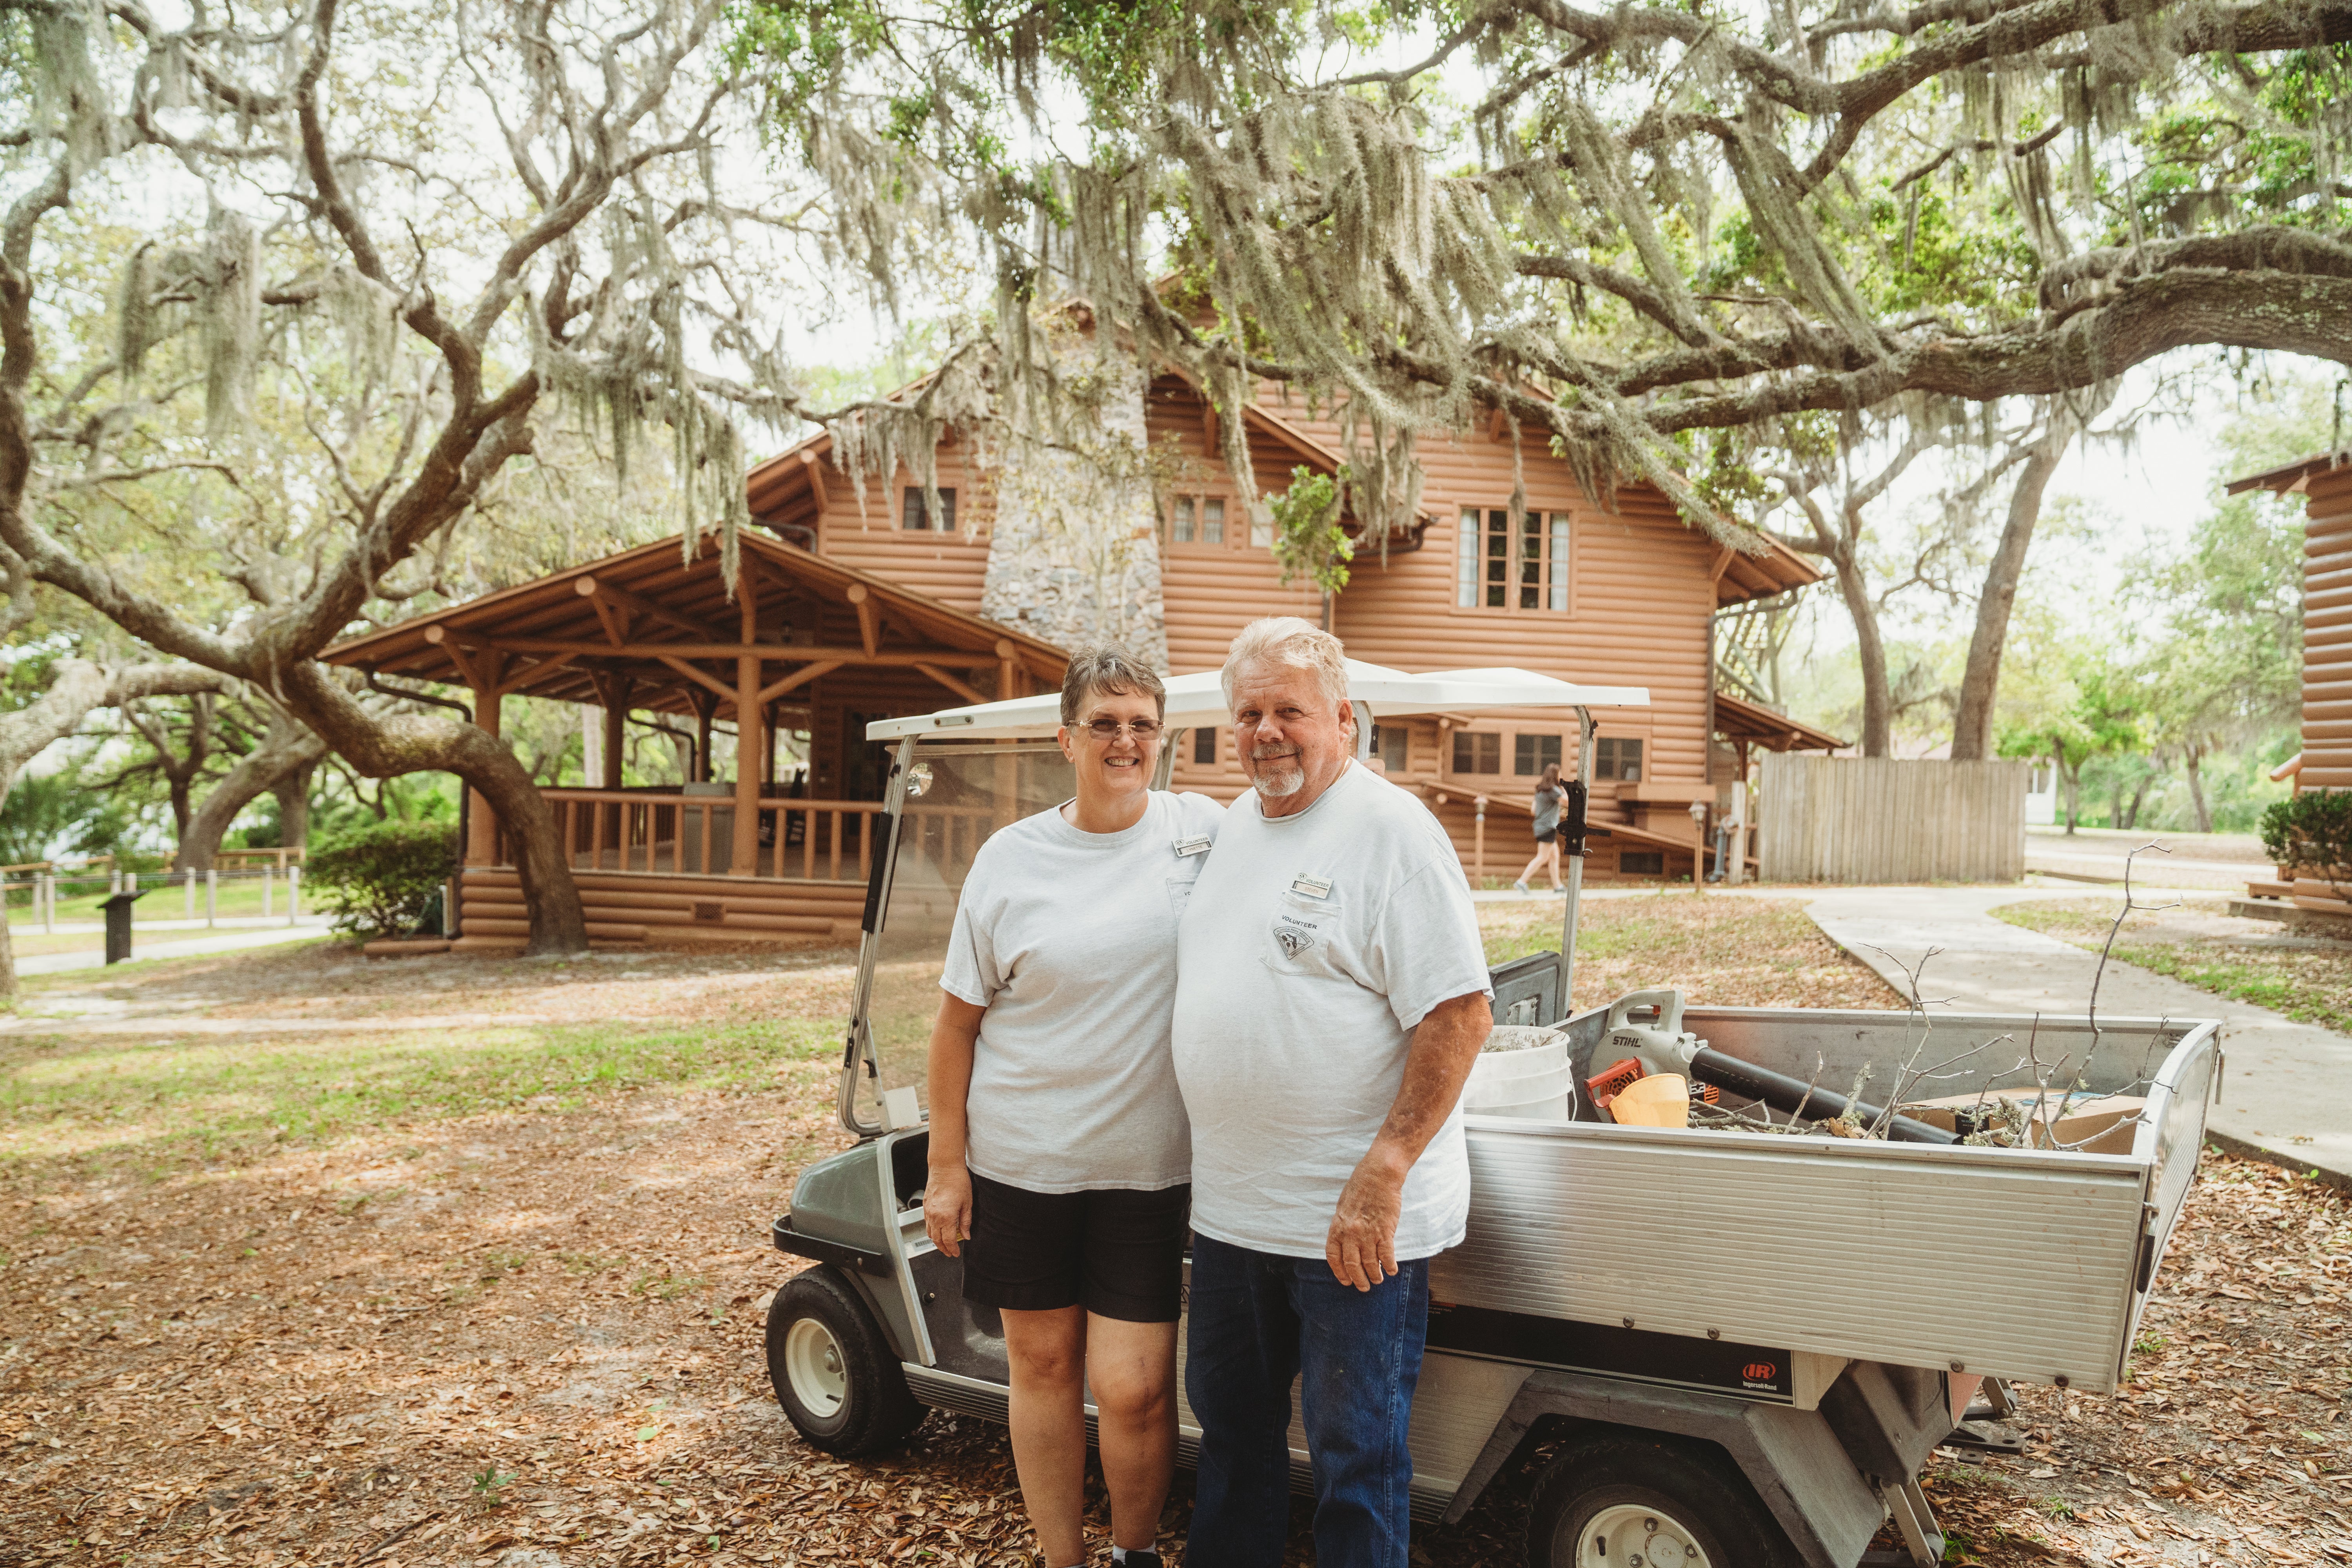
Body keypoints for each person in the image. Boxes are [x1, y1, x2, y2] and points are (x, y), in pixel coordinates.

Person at [1172, 617, 1495, 1568]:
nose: (1266, 731)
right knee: (1231, 1439)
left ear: (1343, 719)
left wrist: (1385, 1168)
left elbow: (1459, 1015)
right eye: (1248, 713)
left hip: (1348, 1222)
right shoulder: (1236, 826)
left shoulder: (1391, 831)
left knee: (1356, 1456)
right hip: (1234, 1214)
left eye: (1290, 711)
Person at [922, 646, 1224, 1568]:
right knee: (1043, 1370)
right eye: (1105, 722)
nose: (1124, 740)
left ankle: (1134, 1551)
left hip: (1150, 1171)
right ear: (1067, 738)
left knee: (1133, 1390)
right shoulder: (1011, 860)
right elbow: (954, 1025)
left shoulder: (1203, 832)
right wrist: (946, 1164)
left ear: (1162, 738)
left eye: (1141, 723)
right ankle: (1063, 1556)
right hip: (1024, 1165)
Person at [1514, 759, 1566, 893]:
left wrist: (1552, 812)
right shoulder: (1554, 790)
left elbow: (1533, 810)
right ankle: (1522, 882)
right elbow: (1567, 801)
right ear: (1556, 775)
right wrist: (1563, 786)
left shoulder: (1540, 791)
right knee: (1542, 857)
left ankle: (1558, 886)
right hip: (1548, 828)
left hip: (1541, 827)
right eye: (1560, 774)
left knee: (1554, 856)